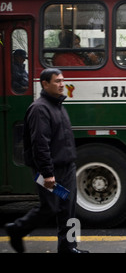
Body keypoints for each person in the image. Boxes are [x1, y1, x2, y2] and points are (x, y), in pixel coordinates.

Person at [4, 68, 88, 254]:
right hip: (50, 172)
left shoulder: (58, 105)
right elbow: (40, 144)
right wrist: (47, 173)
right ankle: (17, 229)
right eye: (57, 81)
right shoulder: (39, 109)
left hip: (66, 168)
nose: (61, 84)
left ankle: (69, 248)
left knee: (68, 208)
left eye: (62, 80)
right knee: (50, 207)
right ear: (45, 84)